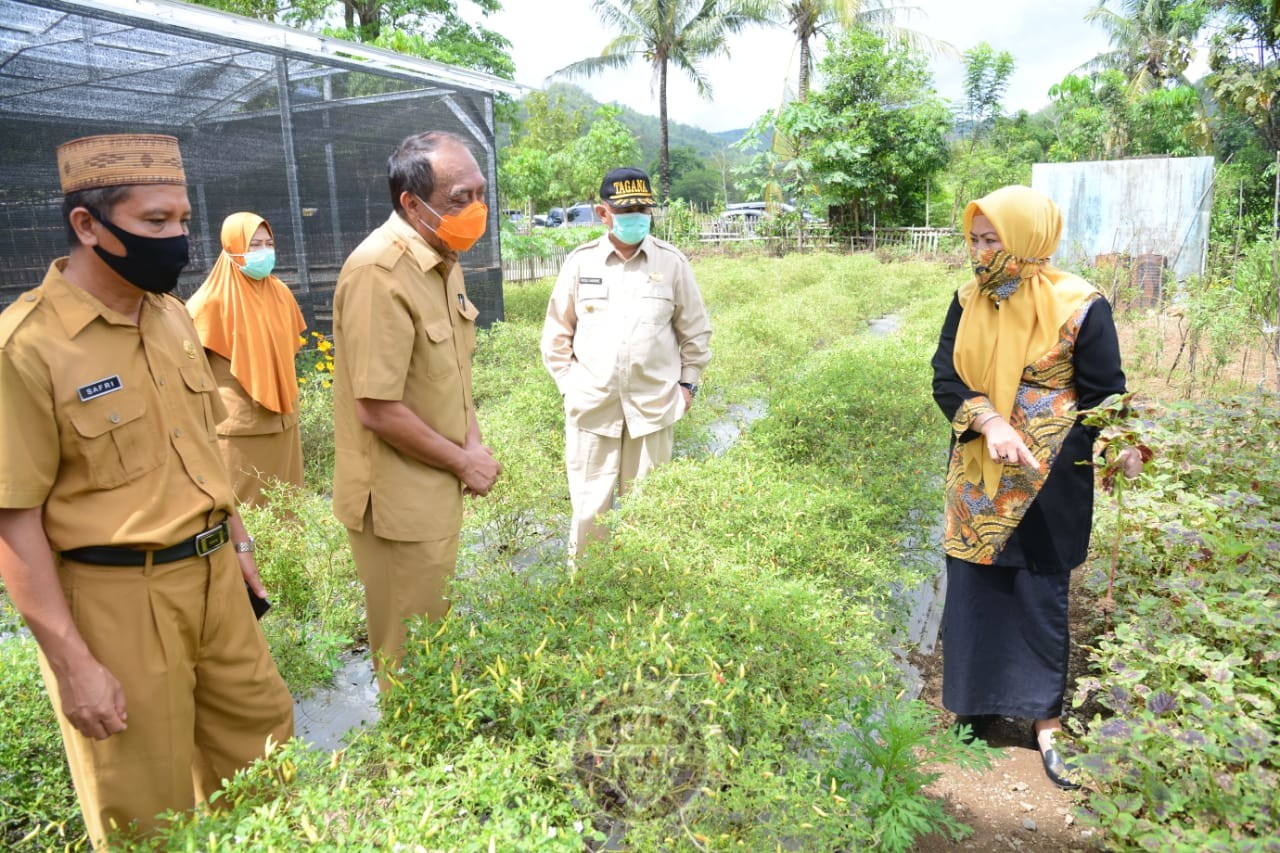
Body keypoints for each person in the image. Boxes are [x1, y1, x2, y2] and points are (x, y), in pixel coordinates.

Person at [0, 134, 294, 847]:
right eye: (156, 222)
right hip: (117, 601)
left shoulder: (168, 316)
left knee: (266, 764)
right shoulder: (28, 345)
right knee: (146, 811)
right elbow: (13, 521)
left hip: (216, 578)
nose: (180, 239)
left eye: (185, 219)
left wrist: (239, 539)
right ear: (87, 225)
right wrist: (73, 663)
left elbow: (198, 449)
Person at [930, 185, 1144, 790]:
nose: (979, 252)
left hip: (1050, 482)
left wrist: (1122, 442)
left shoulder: (1079, 304)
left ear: (1027, 238)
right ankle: (973, 707)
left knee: (1039, 593)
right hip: (978, 474)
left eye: (992, 239)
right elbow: (945, 377)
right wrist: (990, 420)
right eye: (973, 239)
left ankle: (1045, 723)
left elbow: (1106, 391)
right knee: (974, 591)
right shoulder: (967, 299)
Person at [332, 130, 501, 690]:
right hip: (398, 499)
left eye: (480, 194)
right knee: (410, 650)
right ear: (411, 202)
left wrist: (472, 443)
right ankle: (415, 763)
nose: (476, 209)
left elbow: (450, 371)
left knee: (435, 632)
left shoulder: (442, 257)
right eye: (460, 198)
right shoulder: (380, 272)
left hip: (436, 483)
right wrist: (463, 462)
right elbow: (376, 408)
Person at [540, 167, 712, 558]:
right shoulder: (581, 263)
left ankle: (646, 606)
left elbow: (696, 332)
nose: (636, 216)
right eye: (627, 208)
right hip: (592, 411)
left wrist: (688, 386)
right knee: (589, 517)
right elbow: (556, 335)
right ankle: (585, 600)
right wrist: (570, 387)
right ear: (603, 213)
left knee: (648, 516)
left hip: (653, 411)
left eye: (642, 208)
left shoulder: (672, 263)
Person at [187, 212, 307, 507]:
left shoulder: (280, 292)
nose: (264, 252)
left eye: (268, 243)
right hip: (239, 431)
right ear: (232, 246)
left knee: (288, 512)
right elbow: (190, 372)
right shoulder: (208, 302)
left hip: (285, 424)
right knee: (248, 516)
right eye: (254, 244)